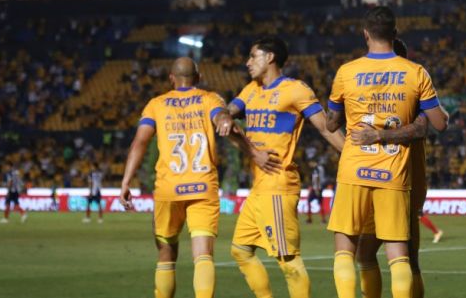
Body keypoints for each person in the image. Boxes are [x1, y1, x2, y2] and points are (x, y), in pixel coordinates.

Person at [119, 57, 278, 298]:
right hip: (202, 187)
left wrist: (125, 181)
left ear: (171, 78)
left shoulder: (156, 104)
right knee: (203, 255)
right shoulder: (209, 99)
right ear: (199, 78)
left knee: (166, 254)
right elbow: (224, 120)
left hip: (168, 189)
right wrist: (251, 151)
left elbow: (139, 142)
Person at [326, 7, 449, 298]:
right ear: (394, 35)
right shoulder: (415, 72)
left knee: (346, 250)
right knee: (400, 256)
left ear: (365, 33)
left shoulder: (347, 71)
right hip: (394, 172)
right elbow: (439, 123)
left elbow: (331, 124)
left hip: (354, 168)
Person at [227, 36, 345, 298]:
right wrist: (251, 150)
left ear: (270, 57)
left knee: (288, 259)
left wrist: (353, 156)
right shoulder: (250, 91)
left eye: (252, 56)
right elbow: (226, 115)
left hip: (278, 184)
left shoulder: (296, 90)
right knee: (240, 250)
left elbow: (326, 128)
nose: (247, 62)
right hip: (259, 186)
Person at [351, 38, 446, 298]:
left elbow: (427, 125)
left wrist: (379, 136)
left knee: (405, 258)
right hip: (375, 182)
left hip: (403, 184)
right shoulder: (380, 95)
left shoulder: (414, 93)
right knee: (367, 253)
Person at [304, 160, 327, 224]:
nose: (310, 165)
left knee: (309, 201)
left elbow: (317, 178)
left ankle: (309, 219)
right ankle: (323, 220)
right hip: (320, 187)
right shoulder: (321, 168)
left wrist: (316, 189)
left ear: (313, 162)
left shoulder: (316, 169)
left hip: (316, 188)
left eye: (310, 163)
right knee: (320, 203)